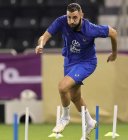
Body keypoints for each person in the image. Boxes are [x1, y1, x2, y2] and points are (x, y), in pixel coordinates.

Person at [35, 3, 117, 140]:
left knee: (62, 87)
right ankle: (90, 122)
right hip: (69, 61)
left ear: (81, 15)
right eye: (69, 17)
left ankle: (65, 117)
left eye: (74, 18)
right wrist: (41, 44)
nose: (71, 21)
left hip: (86, 63)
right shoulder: (62, 21)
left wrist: (114, 53)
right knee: (75, 97)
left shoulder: (91, 29)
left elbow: (113, 33)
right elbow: (45, 35)